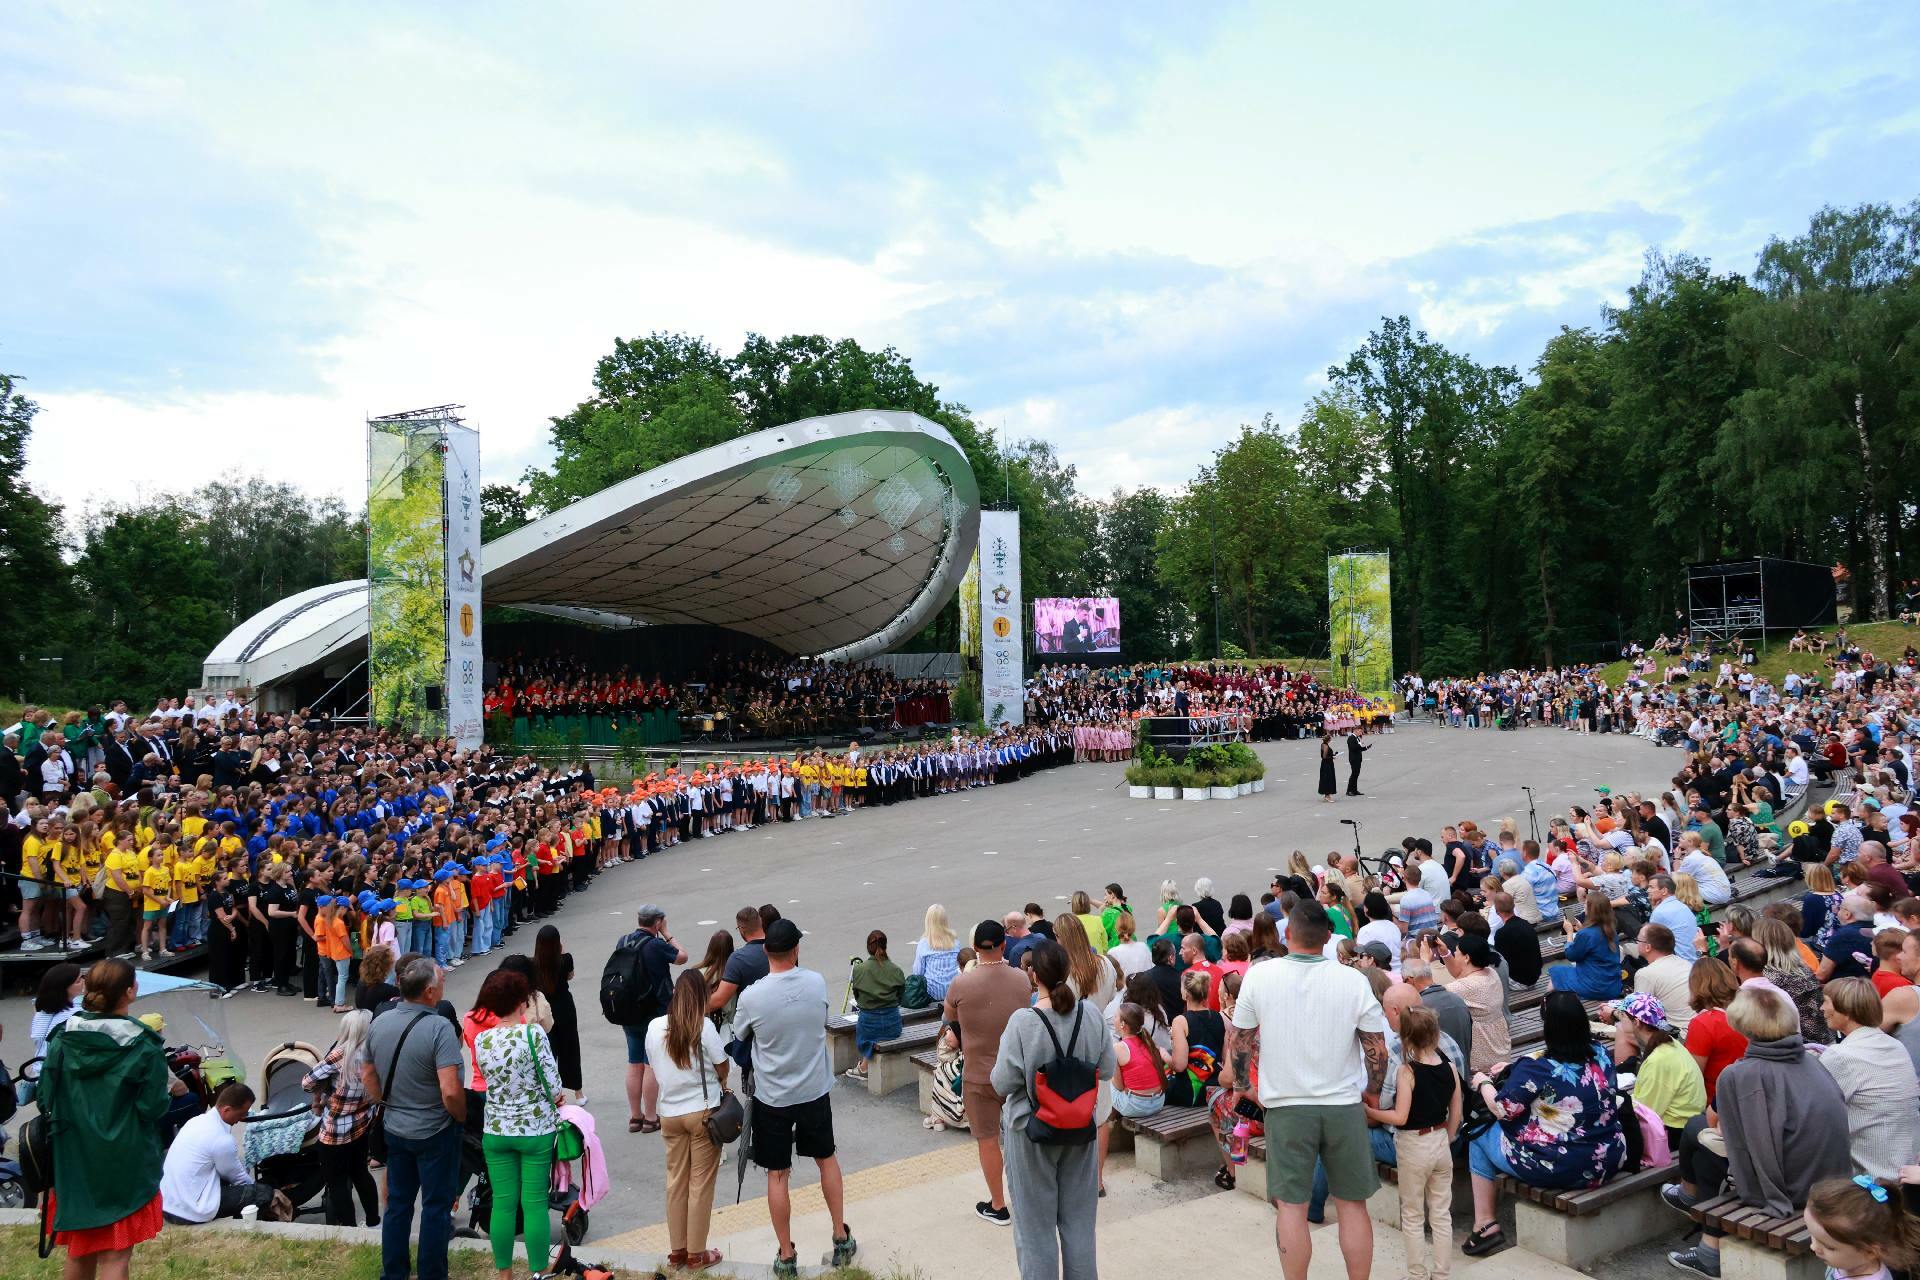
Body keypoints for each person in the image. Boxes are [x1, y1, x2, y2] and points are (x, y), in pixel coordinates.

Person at [1223, 901, 1387, 1280]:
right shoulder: (1353, 980)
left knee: (1291, 1208)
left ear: (1288, 934)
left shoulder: (1260, 977)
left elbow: (1241, 1041)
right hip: (1342, 1104)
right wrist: (1373, 1092)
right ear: (1328, 937)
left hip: (1286, 1106)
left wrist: (1244, 1086)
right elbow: (1376, 1048)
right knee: (1352, 1206)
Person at [1666, 988, 1852, 1279]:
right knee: (1704, 1140)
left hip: (1793, 1188)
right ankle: (1698, 1223)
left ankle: (1706, 1245)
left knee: (1699, 1136)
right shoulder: (1812, 1062)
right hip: (1831, 1177)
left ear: (1744, 1026)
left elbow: (1738, 1142)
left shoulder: (1741, 1074)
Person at [39, 958, 185, 1280]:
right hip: (124, 1161)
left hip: (73, 1157)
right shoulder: (144, 1044)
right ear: (131, 991)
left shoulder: (62, 1037)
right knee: (115, 1257)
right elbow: (152, 1109)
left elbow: (44, 1098)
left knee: (79, 1250)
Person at [1462, 991, 1629, 1258]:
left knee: (1479, 1133)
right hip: (1608, 1157)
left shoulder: (1536, 1067)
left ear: (1548, 1026)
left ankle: (1485, 1224)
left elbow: (1503, 1109)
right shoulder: (1600, 1054)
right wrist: (1515, 1067)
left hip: (1559, 1166)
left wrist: (1482, 1082)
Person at [733, 919, 856, 1278]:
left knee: (777, 1174)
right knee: (826, 1159)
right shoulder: (816, 982)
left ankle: (786, 1254)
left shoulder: (752, 996)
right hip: (814, 1088)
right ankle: (839, 1235)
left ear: (766, 951)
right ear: (796, 949)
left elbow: (740, 1033)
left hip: (773, 1095)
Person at [991, 938, 1116, 1280]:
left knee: (1035, 1231)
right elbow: (1106, 1069)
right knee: (1079, 1226)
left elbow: (1001, 1083)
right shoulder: (1090, 1015)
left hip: (1030, 1131)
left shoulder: (1022, 1022)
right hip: (1080, 1130)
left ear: (1033, 975)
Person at [363, 956, 468, 1280]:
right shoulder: (439, 1028)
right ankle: (431, 1274)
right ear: (428, 993)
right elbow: (450, 1090)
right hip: (435, 1131)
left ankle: (394, 1273)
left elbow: (367, 1073)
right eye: (440, 984)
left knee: (397, 1206)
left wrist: (386, 1101)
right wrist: (460, 1117)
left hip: (396, 1128)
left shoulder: (380, 1022)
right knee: (435, 1209)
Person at [470, 968, 561, 1280]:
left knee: (503, 1204)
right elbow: (553, 1083)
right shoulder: (532, 1034)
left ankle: (504, 1272)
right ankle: (538, 1268)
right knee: (534, 1203)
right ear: (521, 1002)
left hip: (496, 1128)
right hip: (534, 1129)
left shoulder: (481, 1039)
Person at [943, 918, 1033, 1224]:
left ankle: (998, 1203)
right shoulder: (1021, 979)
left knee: (988, 1139)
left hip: (979, 1073)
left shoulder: (961, 984)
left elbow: (950, 1018)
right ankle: (1027, 1195)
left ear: (975, 949)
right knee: (1020, 1137)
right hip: (1017, 1072)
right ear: (1003, 945)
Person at [1363, 1005, 1460, 1280]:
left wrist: (1371, 1112)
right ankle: (1442, 1274)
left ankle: (1417, 1274)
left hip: (1414, 1145)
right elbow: (1457, 1111)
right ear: (1435, 1033)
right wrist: (1448, 1137)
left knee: (1414, 1213)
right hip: (1440, 1140)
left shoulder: (1407, 1072)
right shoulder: (1449, 1067)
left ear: (1405, 1036)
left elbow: (1400, 1116)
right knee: (1441, 1214)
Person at [647, 969, 730, 1272]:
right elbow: (722, 1067)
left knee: (676, 1182)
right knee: (700, 1183)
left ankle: (677, 1252)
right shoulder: (703, 1027)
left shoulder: (655, 1027)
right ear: (700, 995)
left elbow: (653, 1064)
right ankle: (697, 1254)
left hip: (669, 1113)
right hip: (702, 1112)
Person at [1815, 977, 1920, 1180]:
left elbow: (1818, 1114)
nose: (1821, 1008)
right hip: (1905, 1165)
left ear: (1845, 1010)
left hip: (1872, 1176)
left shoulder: (1840, 1055)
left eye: (1825, 1001)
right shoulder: (1894, 1045)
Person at [607, 904, 685, 1134]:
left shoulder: (623, 941)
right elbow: (682, 957)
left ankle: (635, 1116)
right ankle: (651, 1117)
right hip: (654, 1011)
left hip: (628, 1010)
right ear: (657, 922)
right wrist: (667, 934)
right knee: (650, 1062)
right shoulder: (657, 945)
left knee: (634, 1062)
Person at [302, 1009, 382, 1227]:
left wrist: (325, 1094)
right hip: (362, 1123)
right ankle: (374, 1221)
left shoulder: (341, 1054)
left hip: (335, 1130)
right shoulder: (375, 1052)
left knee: (337, 1182)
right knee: (361, 1174)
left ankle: (349, 1228)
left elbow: (307, 1082)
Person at [160, 1082, 279, 1223]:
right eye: (241, 1114)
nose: (242, 1119)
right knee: (263, 1193)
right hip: (190, 1212)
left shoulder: (195, 1122)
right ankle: (245, 1226)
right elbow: (238, 1178)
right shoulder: (222, 1139)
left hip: (168, 1206)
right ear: (227, 1110)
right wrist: (258, 1187)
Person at [1615, 993, 1706, 1147]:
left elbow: (1646, 1112)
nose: (1619, 1018)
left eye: (1622, 1015)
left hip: (1675, 1132)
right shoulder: (1670, 1043)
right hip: (1686, 1123)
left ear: (1636, 1022)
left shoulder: (1659, 1059)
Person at [1801, 1176, 1920, 1280]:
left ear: (1869, 1252)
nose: (1813, 1247)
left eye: (1829, 1247)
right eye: (1813, 1236)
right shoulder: (1849, 1261)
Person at [531, 926, 583, 1101]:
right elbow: (570, 976)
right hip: (565, 1006)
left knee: (548, 1051)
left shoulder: (533, 964)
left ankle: (552, 1092)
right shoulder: (565, 960)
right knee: (570, 1048)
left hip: (543, 1009)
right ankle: (578, 1092)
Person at [846, 929, 906, 1082]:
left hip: (868, 1026)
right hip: (892, 1025)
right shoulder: (896, 970)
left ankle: (863, 1067)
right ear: (885, 947)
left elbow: (858, 997)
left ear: (868, 948)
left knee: (866, 1031)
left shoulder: (858, 970)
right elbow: (900, 998)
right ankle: (864, 1067)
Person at [1550, 892, 1623, 999]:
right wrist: (1581, 930)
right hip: (1612, 986)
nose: (1584, 907)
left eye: (1585, 905)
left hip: (1593, 987)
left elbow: (1571, 955)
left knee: (1555, 972)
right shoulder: (1611, 930)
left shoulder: (1586, 934)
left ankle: (1547, 1008)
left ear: (1591, 910)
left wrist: (1569, 933)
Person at [705, 905, 770, 1016]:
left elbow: (719, 1000)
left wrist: (689, 1007)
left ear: (741, 929)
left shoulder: (739, 958)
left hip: (753, 1020)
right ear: (760, 923)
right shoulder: (779, 947)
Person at [29, 961, 83, 1059]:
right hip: (59, 1070)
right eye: (78, 981)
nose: (83, 982)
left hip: (38, 1067)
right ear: (64, 988)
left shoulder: (39, 1014)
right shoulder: (76, 1015)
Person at [912, 903, 961, 1003]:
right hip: (953, 992)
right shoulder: (955, 942)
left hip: (932, 994)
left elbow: (918, 973)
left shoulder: (924, 943)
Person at [1345, 730, 1369, 796]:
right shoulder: (1351, 738)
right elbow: (1353, 748)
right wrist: (1360, 744)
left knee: (1356, 775)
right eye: (1360, 731)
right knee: (1354, 774)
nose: (1361, 733)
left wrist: (1366, 747)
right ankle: (1349, 790)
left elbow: (1359, 748)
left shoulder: (1357, 738)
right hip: (1354, 759)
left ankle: (1354, 790)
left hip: (1358, 758)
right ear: (1356, 731)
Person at [1317, 731, 1337, 804]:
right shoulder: (1325, 746)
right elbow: (1324, 756)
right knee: (1328, 779)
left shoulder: (1323, 744)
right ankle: (1328, 795)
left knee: (1326, 778)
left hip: (1326, 764)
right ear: (1329, 740)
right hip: (1327, 764)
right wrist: (1332, 757)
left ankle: (1326, 795)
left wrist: (1333, 755)